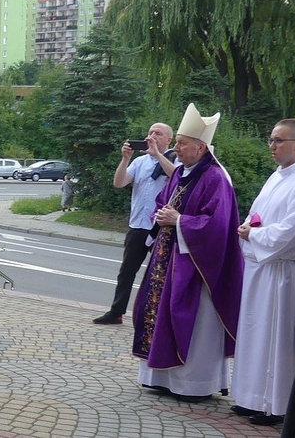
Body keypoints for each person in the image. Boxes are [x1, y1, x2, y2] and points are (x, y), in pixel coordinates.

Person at [132, 103, 244, 402]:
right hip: (168, 257)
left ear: (201, 147)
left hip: (196, 266)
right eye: (178, 142)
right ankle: (160, 377)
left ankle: (194, 383)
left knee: (192, 320)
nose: (177, 149)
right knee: (158, 312)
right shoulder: (182, 172)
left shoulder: (215, 179)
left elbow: (217, 224)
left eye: (182, 143)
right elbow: (163, 201)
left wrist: (179, 221)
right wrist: (161, 216)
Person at [231, 118, 295, 427]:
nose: (271, 146)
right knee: (254, 335)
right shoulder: (277, 175)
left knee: (276, 341)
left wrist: (253, 235)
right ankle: (250, 397)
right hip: (260, 269)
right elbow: (257, 213)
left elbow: (293, 230)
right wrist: (248, 227)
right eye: (271, 140)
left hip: (283, 273)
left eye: (278, 140)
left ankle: (275, 405)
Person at [93, 123, 177, 325]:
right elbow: (119, 183)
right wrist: (125, 159)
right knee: (127, 271)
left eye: (158, 134)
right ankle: (116, 312)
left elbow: (178, 177)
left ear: (169, 140)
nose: (152, 136)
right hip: (138, 225)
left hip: (161, 227)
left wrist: (158, 155)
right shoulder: (140, 162)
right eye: (150, 133)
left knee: (161, 274)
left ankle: (159, 316)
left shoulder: (175, 160)